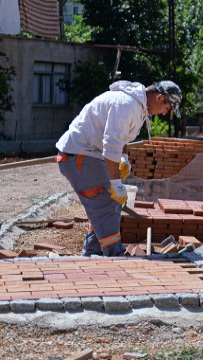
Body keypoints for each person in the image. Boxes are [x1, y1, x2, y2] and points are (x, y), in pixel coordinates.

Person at [55, 80, 182, 256]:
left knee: (105, 204)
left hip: (86, 153)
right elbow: (111, 144)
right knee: (107, 203)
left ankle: (94, 250)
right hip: (79, 154)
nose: (163, 113)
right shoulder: (127, 105)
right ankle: (113, 254)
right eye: (166, 108)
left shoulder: (138, 107)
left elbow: (120, 140)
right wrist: (116, 183)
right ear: (159, 98)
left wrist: (123, 158)